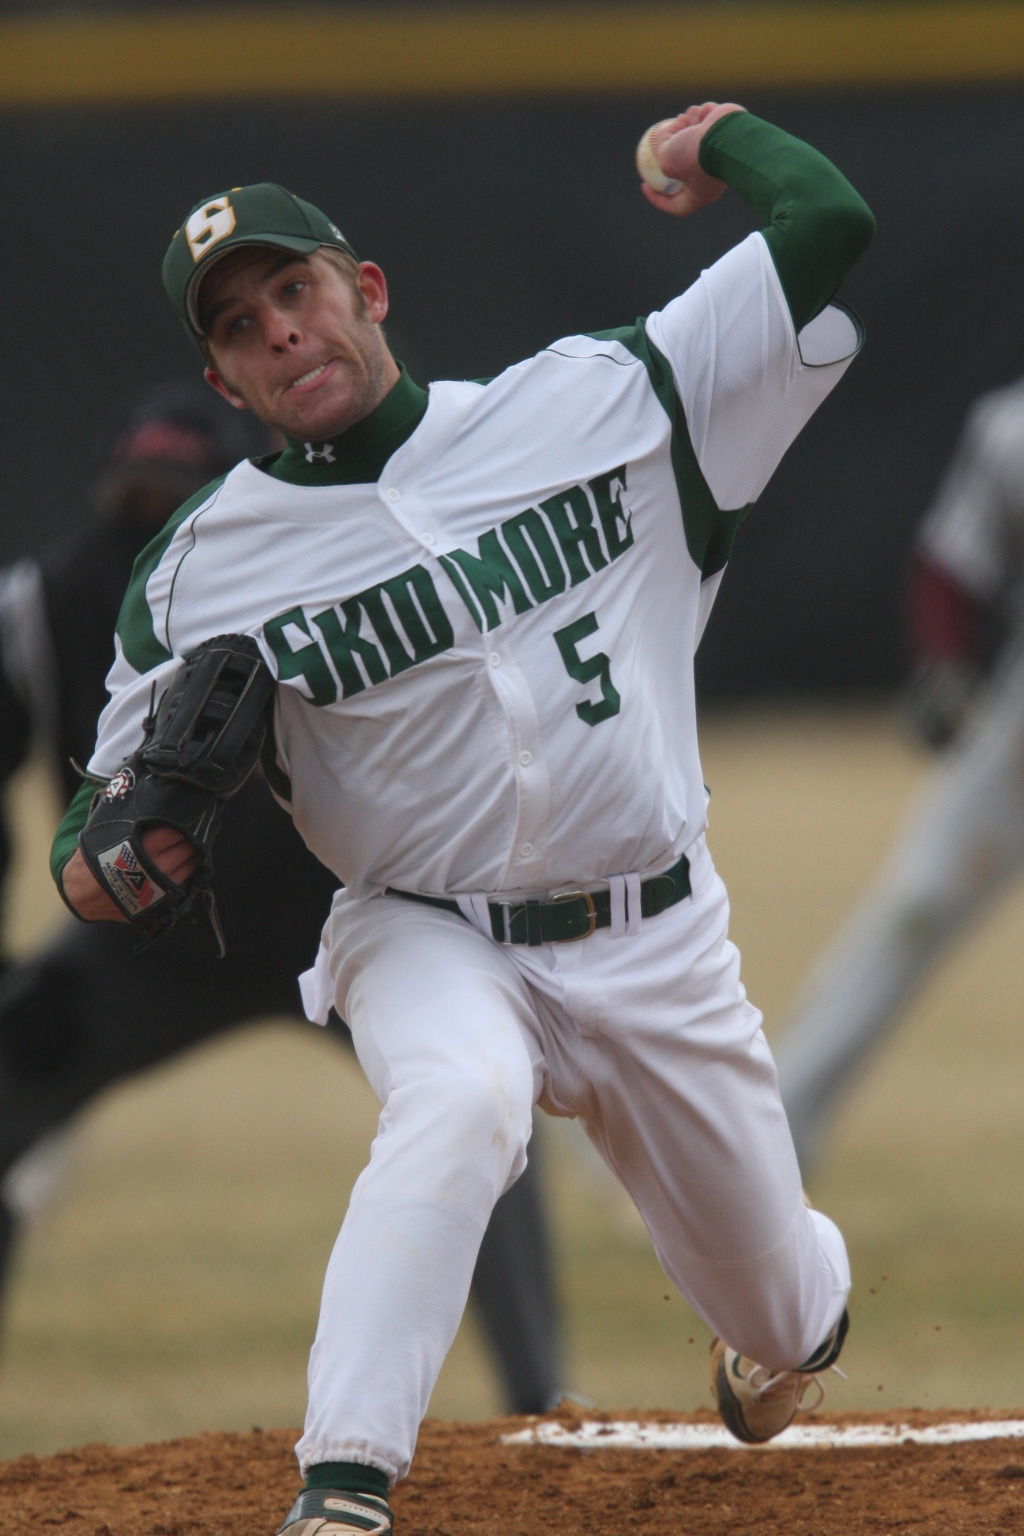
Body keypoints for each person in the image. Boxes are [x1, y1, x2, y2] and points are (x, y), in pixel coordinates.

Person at [54, 100, 873, 1529]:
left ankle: (797, 1316)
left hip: (657, 937)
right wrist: (124, 860)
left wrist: (722, 136)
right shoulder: (199, 574)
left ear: (365, 292)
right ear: (226, 381)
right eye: (242, 327)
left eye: (295, 290)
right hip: (427, 937)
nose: (282, 333)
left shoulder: (600, 400)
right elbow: (89, 844)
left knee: (784, 1313)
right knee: (461, 1103)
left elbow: (830, 226)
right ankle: (344, 1486)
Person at [0, 383, 564, 1414]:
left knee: (486, 1108)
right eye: (133, 504)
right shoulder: (47, 600)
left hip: (356, 933)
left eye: (173, 506)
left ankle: (542, 1414)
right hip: (145, 950)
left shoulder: (344, 577)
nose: (149, 535)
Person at [777, 374, 1024, 1172]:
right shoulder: (1011, 429)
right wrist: (946, 667)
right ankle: (779, 1132)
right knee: (915, 902)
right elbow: (952, 563)